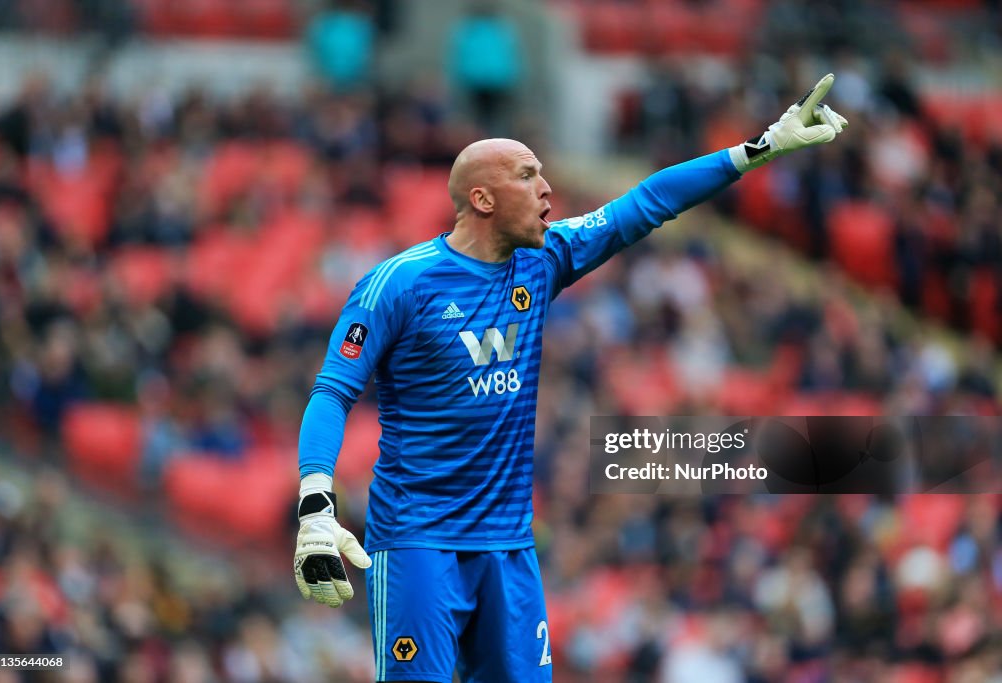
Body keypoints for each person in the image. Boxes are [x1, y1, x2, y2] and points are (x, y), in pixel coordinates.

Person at [294, 75, 849, 682]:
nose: (547, 187)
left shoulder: (544, 259)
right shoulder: (398, 284)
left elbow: (644, 205)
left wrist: (758, 148)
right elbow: (333, 390)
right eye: (528, 175)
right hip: (419, 542)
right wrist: (317, 505)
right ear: (482, 198)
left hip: (509, 545)